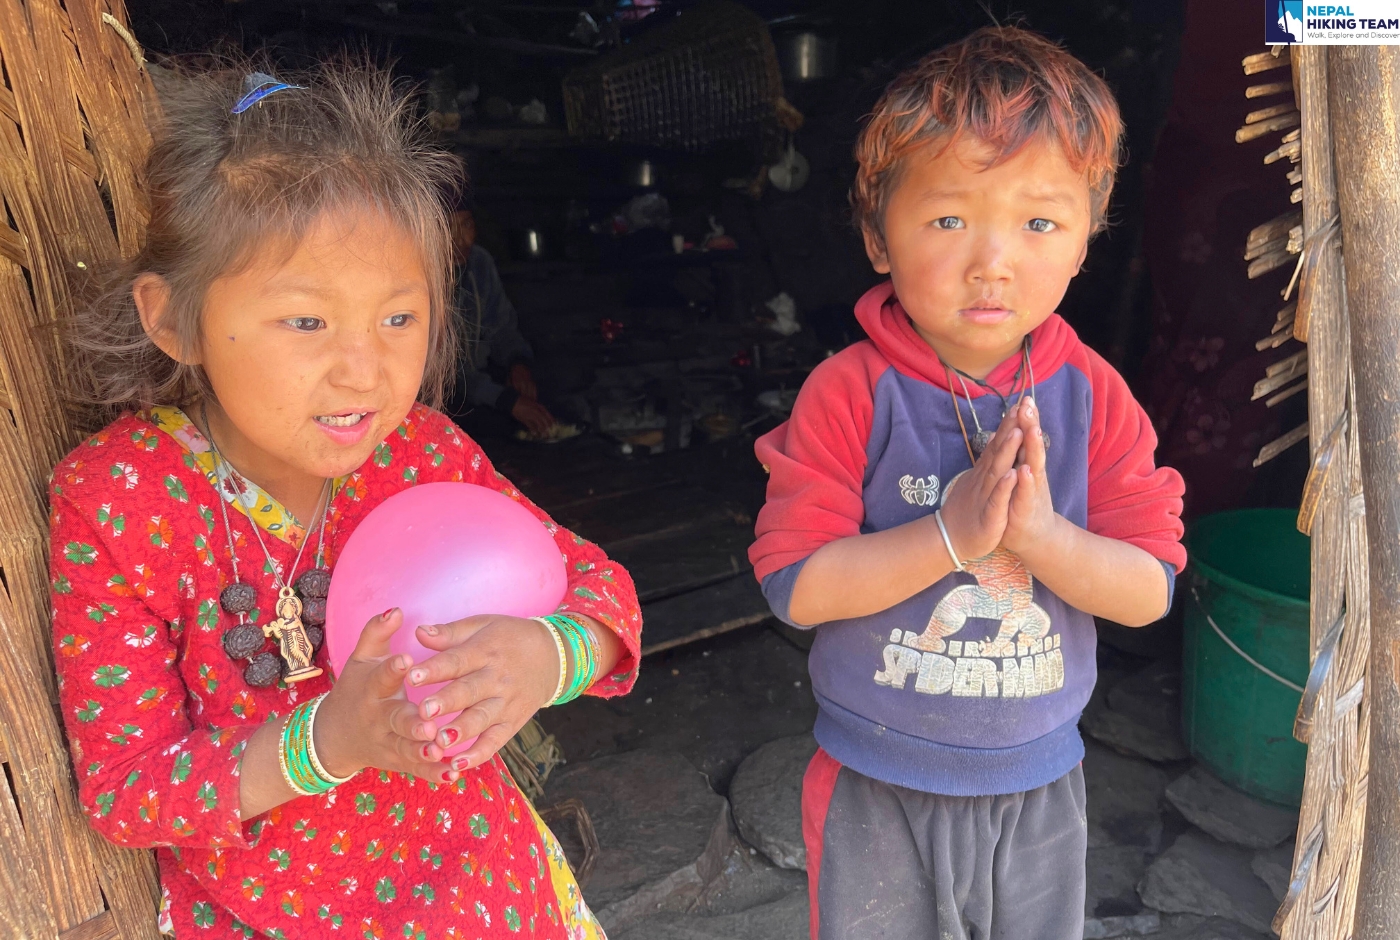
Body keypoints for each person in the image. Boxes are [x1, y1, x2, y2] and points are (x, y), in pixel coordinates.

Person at [50, 61, 641, 939]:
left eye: (398, 318)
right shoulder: (119, 502)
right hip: (272, 918)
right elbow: (128, 788)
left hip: (485, 893)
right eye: (307, 321)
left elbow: (602, 592)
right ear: (174, 319)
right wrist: (325, 742)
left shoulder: (423, 453)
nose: (365, 369)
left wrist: (547, 656)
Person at [748, 27, 1185, 940]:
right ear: (878, 235)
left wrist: (1039, 539)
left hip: (1038, 785)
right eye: (949, 219)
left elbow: (1149, 591)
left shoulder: (1096, 399)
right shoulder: (848, 394)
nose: (993, 261)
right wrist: (950, 537)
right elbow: (798, 587)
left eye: (1039, 222)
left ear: (1083, 244)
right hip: (877, 783)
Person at [448, 202, 556, 435]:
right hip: (437, 401)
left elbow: (501, 327)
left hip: (480, 387)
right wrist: (505, 400)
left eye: (466, 224)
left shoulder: (479, 263)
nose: (460, 240)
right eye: (446, 227)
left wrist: (517, 362)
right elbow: (442, 372)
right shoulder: (417, 274)